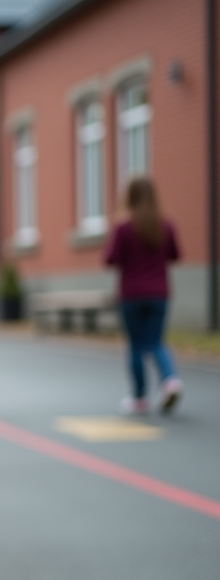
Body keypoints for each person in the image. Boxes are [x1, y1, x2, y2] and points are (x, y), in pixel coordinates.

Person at [105, 177, 184, 415]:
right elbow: (176, 255)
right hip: (159, 293)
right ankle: (170, 380)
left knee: (136, 345)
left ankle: (139, 397)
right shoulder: (165, 225)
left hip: (131, 295)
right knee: (156, 341)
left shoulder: (123, 227)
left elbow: (110, 259)